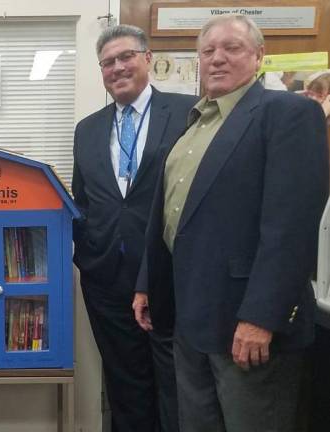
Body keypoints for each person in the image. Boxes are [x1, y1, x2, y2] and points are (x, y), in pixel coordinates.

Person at [135, 15, 329, 432]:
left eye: (232, 48)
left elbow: (291, 228)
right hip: (190, 320)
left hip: (248, 326)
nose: (217, 59)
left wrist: (261, 317)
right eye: (208, 51)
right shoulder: (194, 123)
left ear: (259, 56)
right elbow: (175, 217)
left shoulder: (287, 114)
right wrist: (148, 283)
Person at [71, 24, 196, 432]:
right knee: (124, 381)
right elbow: (82, 200)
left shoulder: (187, 112)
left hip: (168, 274)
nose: (117, 67)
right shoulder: (87, 129)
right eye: (108, 62)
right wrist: (88, 253)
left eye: (126, 57)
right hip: (106, 276)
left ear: (147, 58)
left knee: (174, 381)